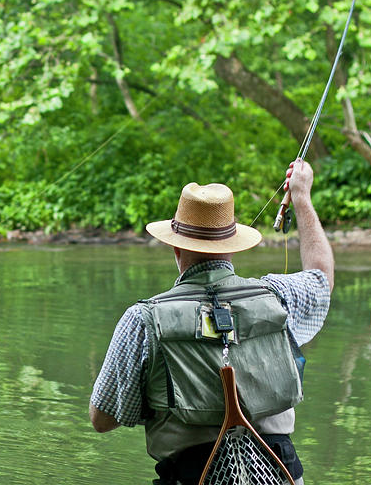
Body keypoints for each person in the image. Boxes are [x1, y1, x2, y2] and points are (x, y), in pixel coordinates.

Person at [89, 159, 334, 485]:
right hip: (283, 476)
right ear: (231, 247)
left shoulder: (142, 320)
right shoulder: (279, 296)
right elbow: (322, 277)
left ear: (176, 247)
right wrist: (302, 198)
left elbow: (103, 419)